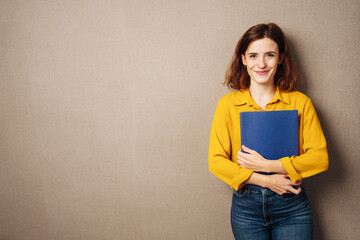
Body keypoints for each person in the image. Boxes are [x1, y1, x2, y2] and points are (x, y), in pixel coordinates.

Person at [208, 23, 329, 240]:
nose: (261, 64)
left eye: (270, 55)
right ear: (243, 59)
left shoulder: (300, 102)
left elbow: (319, 158)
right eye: (253, 55)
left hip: (291, 206)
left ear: (281, 58)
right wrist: (266, 179)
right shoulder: (227, 105)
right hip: (246, 209)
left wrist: (267, 166)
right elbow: (216, 161)